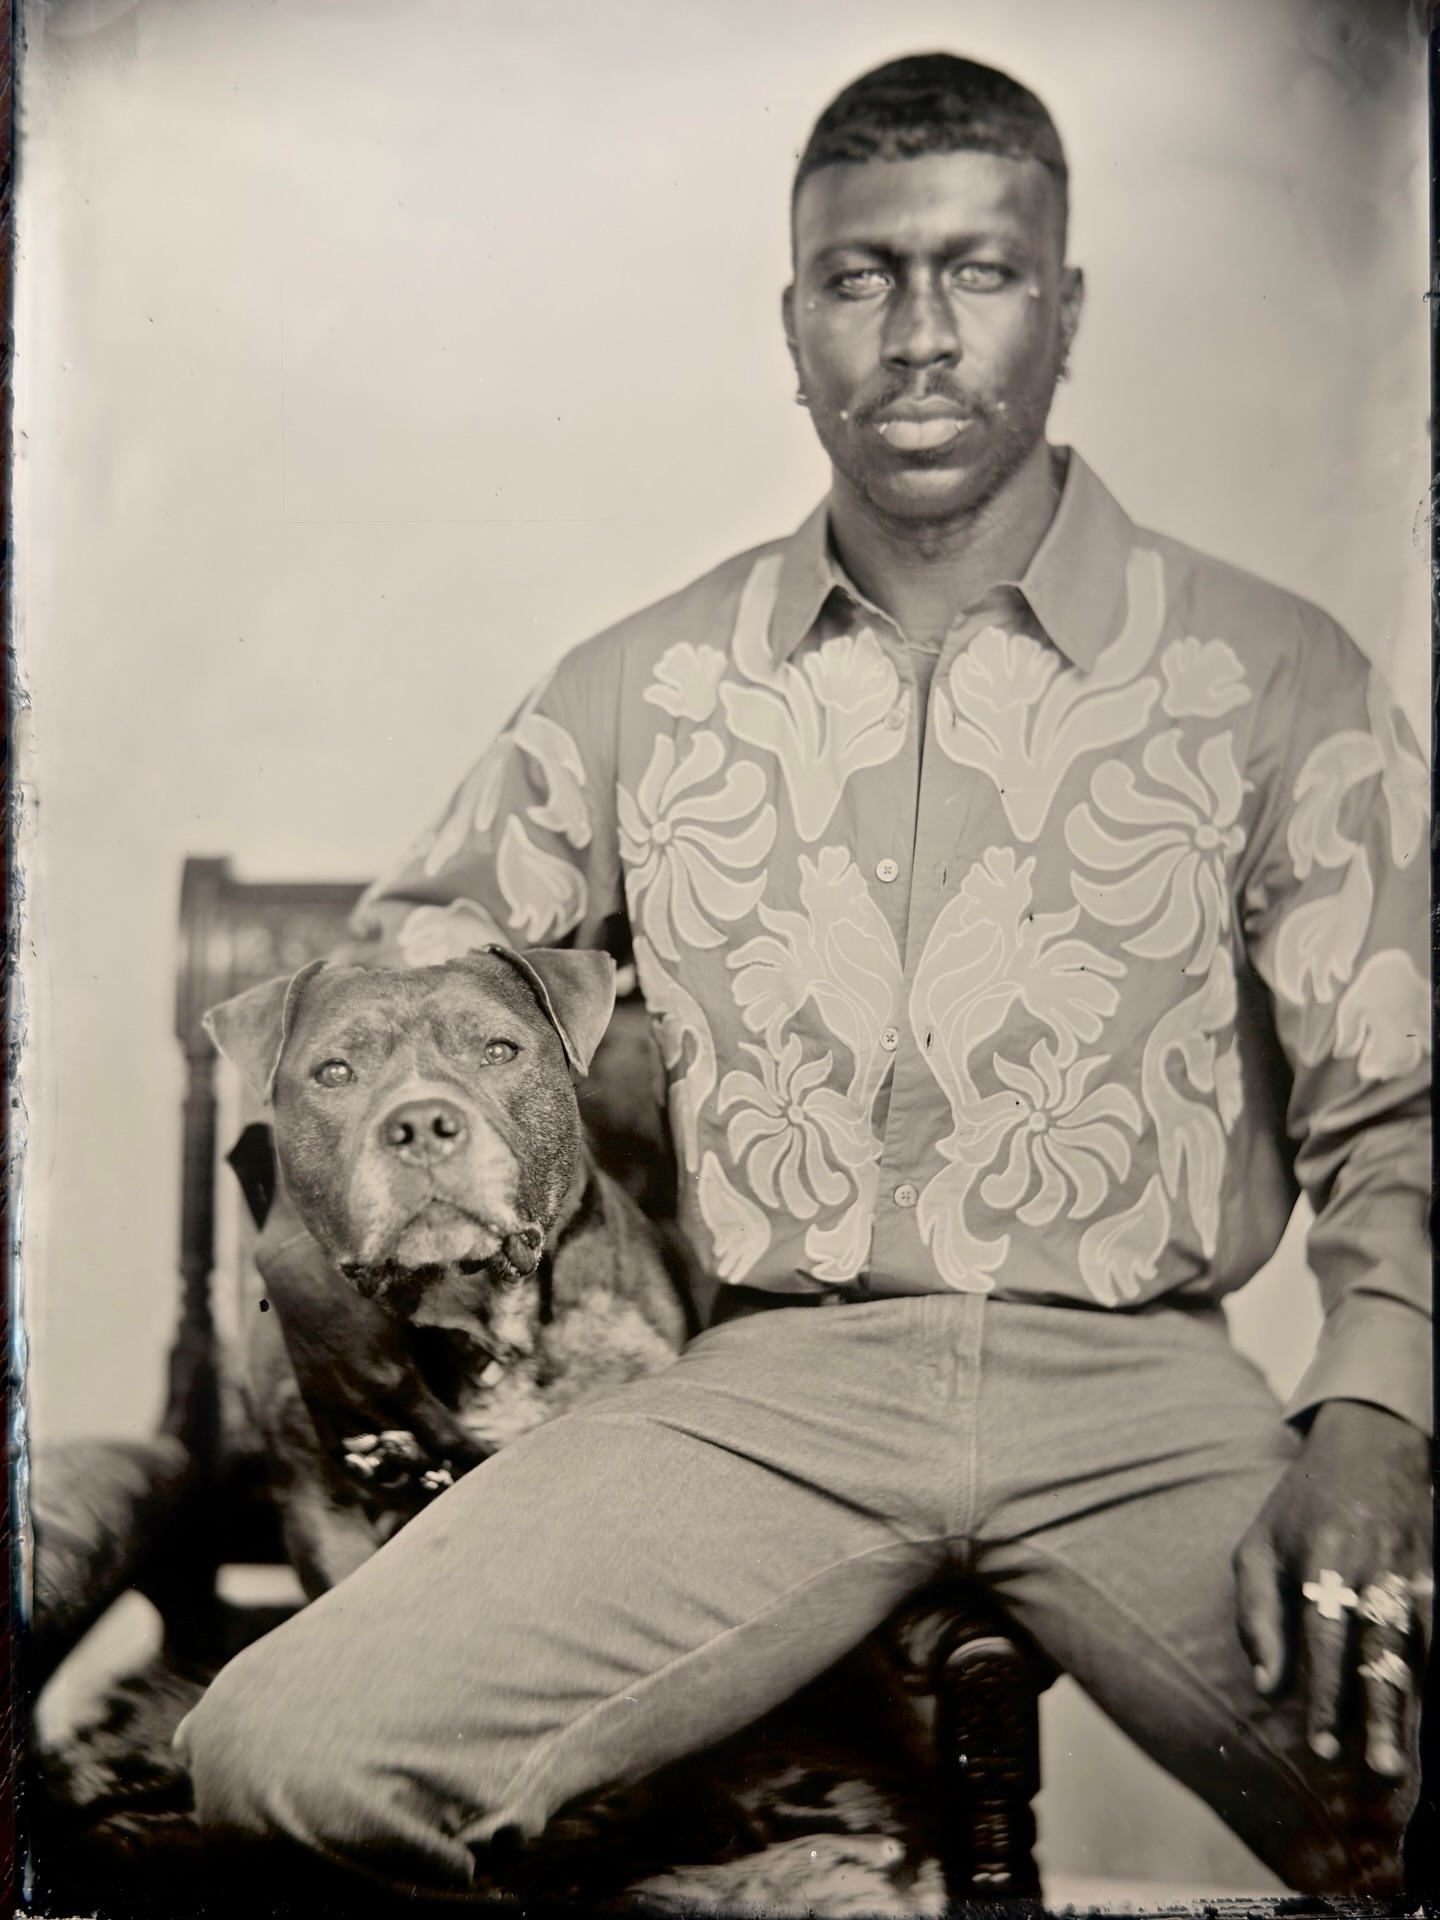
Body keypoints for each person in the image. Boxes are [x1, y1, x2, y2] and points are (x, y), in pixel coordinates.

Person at [177, 53, 1431, 1897]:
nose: (918, 333)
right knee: (282, 1756)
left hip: (1144, 1399)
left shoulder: (1277, 676)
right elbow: (391, 992)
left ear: (1065, 306)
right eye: (860, 278)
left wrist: (1376, 1422)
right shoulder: (637, 684)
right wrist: (412, 1302)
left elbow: (1395, 1114)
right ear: (792, 322)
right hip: (767, 1396)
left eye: (979, 270)